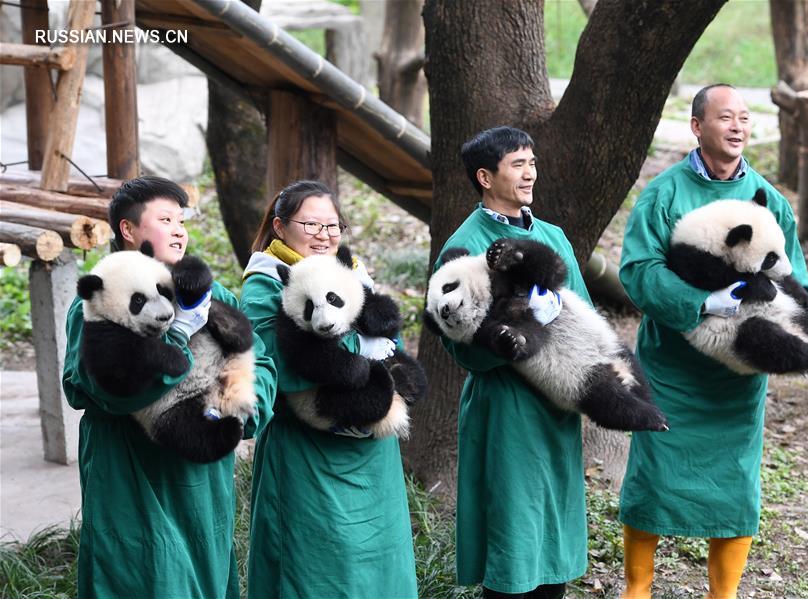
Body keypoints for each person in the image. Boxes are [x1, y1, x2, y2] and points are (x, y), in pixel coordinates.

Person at [616, 84, 808, 599]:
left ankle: (721, 595)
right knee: (654, 477)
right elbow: (638, 271)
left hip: (736, 376)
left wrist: (776, 327)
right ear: (697, 126)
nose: (737, 126)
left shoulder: (769, 201)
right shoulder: (663, 194)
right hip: (672, 369)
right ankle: (637, 588)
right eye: (725, 117)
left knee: (735, 486)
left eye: (745, 118)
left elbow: (798, 282)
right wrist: (704, 303)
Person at [62, 175, 276, 598]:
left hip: (204, 481)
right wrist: (175, 337)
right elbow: (97, 384)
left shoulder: (217, 297)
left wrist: (236, 407)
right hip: (131, 478)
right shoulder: (100, 300)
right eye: (165, 218)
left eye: (182, 219)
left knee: (205, 576)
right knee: (142, 578)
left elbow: (263, 366)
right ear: (129, 230)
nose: (180, 229)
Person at [241, 180, 417, 599]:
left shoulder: (351, 271)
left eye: (332, 226)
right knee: (315, 568)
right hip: (307, 454)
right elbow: (279, 363)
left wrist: (383, 354)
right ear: (280, 227)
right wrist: (361, 345)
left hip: (373, 455)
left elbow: (393, 342)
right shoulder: (267, 282)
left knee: (380, 566)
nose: (324, 236)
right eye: (312, 225)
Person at [435, 126, 590, 599]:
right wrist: (520, 333)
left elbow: (582, 311)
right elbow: (459, 342)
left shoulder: (552, 237)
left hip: (555, 404)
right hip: (507, 409)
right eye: (517, 164)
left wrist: (563, 321)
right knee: (513, 536)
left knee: (551, 538)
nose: (530, 173)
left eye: (532, 162)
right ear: (485, 176)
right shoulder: (464, 247)